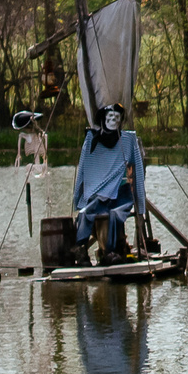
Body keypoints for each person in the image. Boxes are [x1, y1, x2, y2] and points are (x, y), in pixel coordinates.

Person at [72, 103, 148, 262]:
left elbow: (137, 174)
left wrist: (140, 206)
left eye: (117, 117)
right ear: (103, 119)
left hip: (121, 192)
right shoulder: (92, 140)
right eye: (110, 116)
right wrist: (77, 199)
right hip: (99, 193)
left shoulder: (128, 140)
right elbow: (83, 172)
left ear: (121, 121)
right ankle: (81, 251)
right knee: (86, 213)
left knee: (115, 213)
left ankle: (110, 252)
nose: (113, 120)